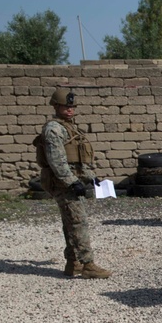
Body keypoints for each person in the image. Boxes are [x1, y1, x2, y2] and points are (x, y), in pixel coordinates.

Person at [35, 87, 112, 279]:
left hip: (71, 180)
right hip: (62, 183)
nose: (70, 110)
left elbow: (78, 159)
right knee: (78, 222)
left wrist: (91, 177)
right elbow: (57, 161)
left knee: (70, 221)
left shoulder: (70, 127)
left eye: (72, 107)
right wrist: (71, 182)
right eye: (65, 107)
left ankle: (73, 262)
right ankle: (88, 265)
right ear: (56, 106)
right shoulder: (53, 129)